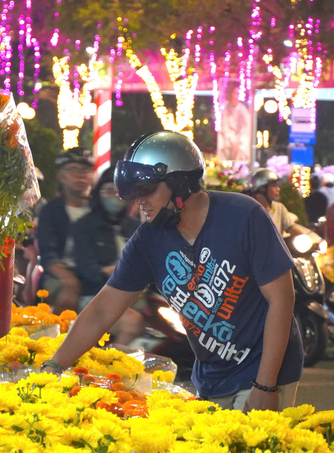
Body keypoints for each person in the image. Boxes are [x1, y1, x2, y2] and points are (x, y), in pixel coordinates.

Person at [42, 131, 303, 413]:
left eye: (148, 190)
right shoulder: (147, 240)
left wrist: (266, 385)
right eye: (133, 194)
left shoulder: (243, 216)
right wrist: (52, 366)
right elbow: (102, 310)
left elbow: (282, 299)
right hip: (211, 377)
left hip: (266, 368)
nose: (139, 202)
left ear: (180, 184)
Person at [71, 169, 144, 344]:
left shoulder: (136, 226)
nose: (115, 197)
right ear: (99, 194)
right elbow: (85, 266)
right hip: (97, 295)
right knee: (131, 324)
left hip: (138, 296)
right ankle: (113, 366)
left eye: (120, 193)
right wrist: (107, 271)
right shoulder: (84, 226)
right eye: (109, 191)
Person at [36, 147, 94, 312]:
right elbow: (48, 257)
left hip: (95, 274)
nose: (80, 175)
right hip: (60, 274)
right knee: (67, 294)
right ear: (61, 176)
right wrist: (70, 280)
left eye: (85, 170)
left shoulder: (99, 209)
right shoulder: (51, 211)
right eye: (73, 170)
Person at [249, 168, 316, 238]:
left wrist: (306, 239)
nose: (278, 189)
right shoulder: (248, 209)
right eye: (273, 186)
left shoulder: (279, 208)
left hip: (275, 248)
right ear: (262, 189)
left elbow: (291, 228)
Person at [217, 85, 251, 162]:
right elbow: (224, 124)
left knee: (242, 147)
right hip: (228, 136)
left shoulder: (243, 110)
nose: (236, 96)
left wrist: (238, 142)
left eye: (238, 94)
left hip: (240, 137)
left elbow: (246, 128)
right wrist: (230, 138)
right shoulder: (226, 107)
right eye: (235, 93)